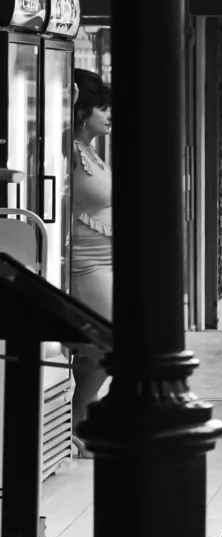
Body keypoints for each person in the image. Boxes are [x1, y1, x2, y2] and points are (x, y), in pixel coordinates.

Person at [68, 69, 113, 458]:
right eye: (102, 107)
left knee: (103, 345)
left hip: (105, 261)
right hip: (84, 263)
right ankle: (77, 419)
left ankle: (80, 420)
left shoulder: (92, 150)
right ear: (83, 110)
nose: (108, 114)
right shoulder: (68, 150)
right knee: (106, 343)